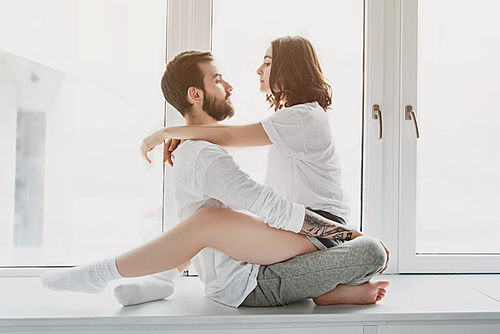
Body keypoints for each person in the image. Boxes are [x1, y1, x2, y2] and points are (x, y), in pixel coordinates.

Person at [40, 44, 389, 308]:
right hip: (249, 281)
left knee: (213, 217)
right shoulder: (204, 153)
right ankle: (101, 274)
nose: (234, 85)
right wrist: (348, 235)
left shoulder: (201, 147)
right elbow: (266, 203)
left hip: (262, 259)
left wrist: (178, 131)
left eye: (267, 63)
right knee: (372, 250)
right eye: (218, 80)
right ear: (196, 94)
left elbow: (233, 140)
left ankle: (162, 275)